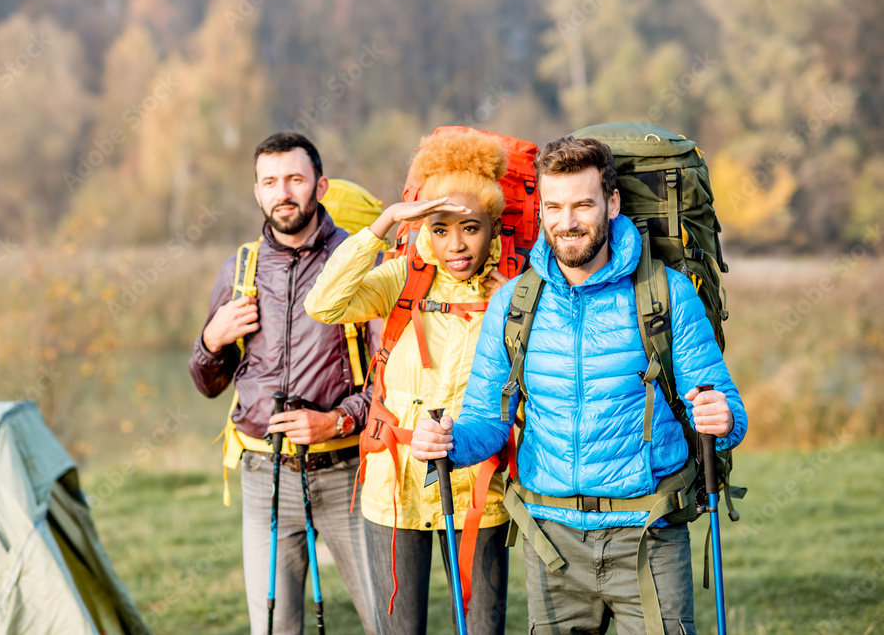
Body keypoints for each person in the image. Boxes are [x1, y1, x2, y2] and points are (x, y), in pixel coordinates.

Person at [411, 136, 748, 634]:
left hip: (648, 533)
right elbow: (486, 420)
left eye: (583, 204)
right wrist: (448, 442)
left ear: (612, 204)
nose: (567, 221)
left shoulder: (666, 295)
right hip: (552, 543)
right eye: (554, 206)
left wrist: (723, 417)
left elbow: (727, 411)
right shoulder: (514, 304)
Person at [304, 129, 512, 635]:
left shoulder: (514, 291)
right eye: (439, 229)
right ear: (423, 228)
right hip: (392, 486)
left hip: (477, 491)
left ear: (493, 226)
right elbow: (323, 305)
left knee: (482, 628)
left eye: (469, 228)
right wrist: (384, 225)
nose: (456, 244)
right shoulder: (403, 279)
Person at [189, 132, 377, 635]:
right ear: (257, 192)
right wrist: (211, 341)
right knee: (274, 628)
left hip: (348, 475)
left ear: (321, 185)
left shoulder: (359, 262)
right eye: (270, 182)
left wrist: (337, 419)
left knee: (389, 621)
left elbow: (391, 380)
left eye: (295, 179)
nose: (283, 192)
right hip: (264, 475)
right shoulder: (239, 269)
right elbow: (208, 383)